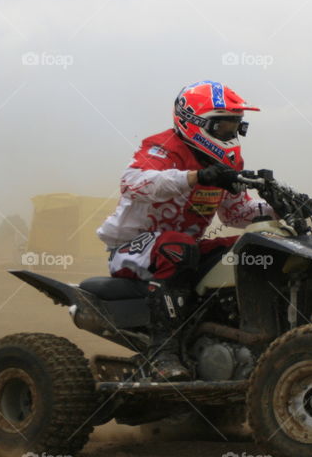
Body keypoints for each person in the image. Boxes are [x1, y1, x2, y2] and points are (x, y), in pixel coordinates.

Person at [97, 81, 271, 380]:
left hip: (184, 247)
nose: (231, 134)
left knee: (251, 247)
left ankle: (231, 339)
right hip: (131, 249)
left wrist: (275, 207)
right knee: (177, 246)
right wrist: (195, 177)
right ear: (194, 121)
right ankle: (162, 352)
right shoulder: (161, 147)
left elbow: (235, 212)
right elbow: (133, 183)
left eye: (236, 126)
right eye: (224, 126)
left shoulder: (227, 160)